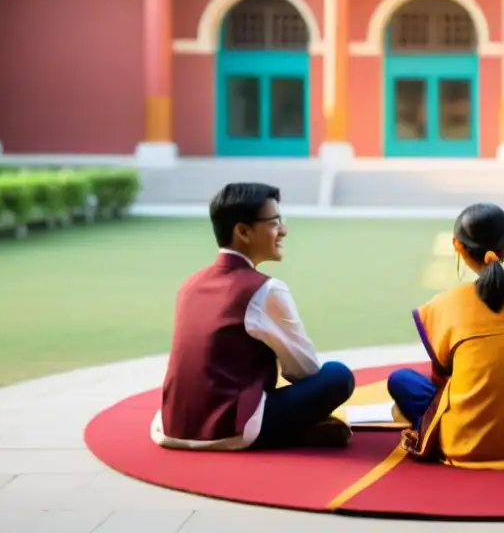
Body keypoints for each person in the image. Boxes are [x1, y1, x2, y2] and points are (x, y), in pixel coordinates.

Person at [150, 182, 355, 450]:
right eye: (274, 222)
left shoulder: (190, 284)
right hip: (232, 427)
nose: (283, 230)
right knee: (337, 376)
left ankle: (297, 429)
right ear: (243, 232)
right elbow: (303, 371)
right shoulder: (265, 290)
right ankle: (295, 431)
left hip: (171, 426)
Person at [387, 202, 504, 469]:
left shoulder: (442, 306)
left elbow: (441, 383)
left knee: (401, 380)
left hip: (466, 441)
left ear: (457, 246)